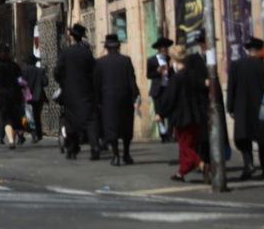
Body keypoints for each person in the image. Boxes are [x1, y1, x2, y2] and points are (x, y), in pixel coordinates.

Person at [159, 44, 209, 182]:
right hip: (197, 114)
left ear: (174, 60)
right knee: (191, 143)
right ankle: (181, 172)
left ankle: (202, 164)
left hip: (183, 116)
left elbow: (170, 98)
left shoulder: (176, 78)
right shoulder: (193, 74)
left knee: (185, 146)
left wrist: (161, 114)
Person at [227, 37, 264, 180]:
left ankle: (248, 165)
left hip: (242, 107)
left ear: (248, 50)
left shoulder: (236, 65)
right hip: (262, 107)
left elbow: (231, 88)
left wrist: (230, 107)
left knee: (243, 138)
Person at [54, 24, 101, 160]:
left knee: (71, 121)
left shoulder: (66, 53)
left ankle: (72, 149)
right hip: (87, 92)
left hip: (70, 93)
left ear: (71, 36)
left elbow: (57, 72)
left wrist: (64, 83)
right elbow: (94, 72)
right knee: (90, 120)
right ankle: (94, 146)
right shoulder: (87, 53)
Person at [93, 33, 139, 166]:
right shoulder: (126, 60)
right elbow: (132, 79)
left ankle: (115, 155)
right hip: (125, 98)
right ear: (118, 46)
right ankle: (126, 153)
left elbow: (96, 84)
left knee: (110, 127)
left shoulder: (100, 63)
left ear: (106, 47)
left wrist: (97, 101)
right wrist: (135, 94)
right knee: (126, 127)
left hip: (108, 100)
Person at [0, 46, 24, 149]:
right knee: (15, 118)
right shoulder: (15, 66)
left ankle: (11, 141)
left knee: (7, 119)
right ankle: (14, 139)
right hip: (15, 94)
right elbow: (20, 80)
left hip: (3, 95)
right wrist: (22, 89)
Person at [146, 36, 174, 142]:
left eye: (166, 49)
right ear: (159, 49)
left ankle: (170, 133)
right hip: (158, 89)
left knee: (170, 111)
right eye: (163, 49)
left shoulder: (170, 59)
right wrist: (158, 71)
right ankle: (163, 134)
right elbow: (149, 75)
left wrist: (171, 68)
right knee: (159, 112)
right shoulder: (152, 60)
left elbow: (173, 74)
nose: (165, 51)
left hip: (168, 88)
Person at [21, 55, 48, 143]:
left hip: (26, 97)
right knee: (36, 116)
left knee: (28, 117)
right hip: (38, 96)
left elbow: (20, 84)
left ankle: (33, 133)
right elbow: (45, 83)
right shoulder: (40, 71)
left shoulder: (23, 71)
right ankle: (38, 134)